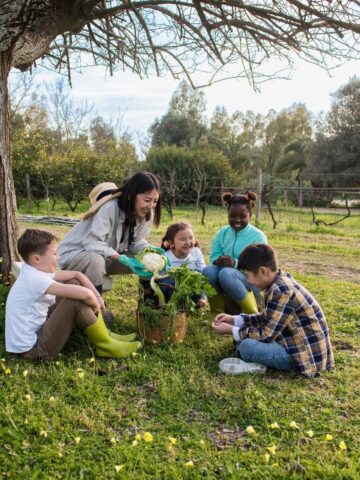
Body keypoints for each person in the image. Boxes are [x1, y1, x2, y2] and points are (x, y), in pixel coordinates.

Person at [5, 229, 141, 360]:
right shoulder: (35, 279)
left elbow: (77, 274)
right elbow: (86, 295)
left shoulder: (32, 270)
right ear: (36, 259)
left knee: (73, 282)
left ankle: (106, 335)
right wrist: (95, 305)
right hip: (34, 350)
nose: (58, 257)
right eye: (54, 254)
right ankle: (105, 344)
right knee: (75, 300)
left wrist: (98, 296)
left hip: (38, 332)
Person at [212, 244, 335, 378]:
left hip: (303, 356)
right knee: (244, 337)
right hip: (292, 341)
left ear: (263, 271)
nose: (248, 281)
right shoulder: (279, 282)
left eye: (247, 276)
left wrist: (232, 330)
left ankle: (255, 364)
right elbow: (267, 318)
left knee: (246, 346)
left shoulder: (281, 292)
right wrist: (236, 319)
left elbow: (265, 335)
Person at [58, 172, 162, 294]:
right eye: (147, 200)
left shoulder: (145, 213)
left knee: (150, 261)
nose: (151, 206)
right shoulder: (110, 207)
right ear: (131, 195)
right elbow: (92, 242)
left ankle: (149, 307)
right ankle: (95, 308)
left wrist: (151, 251)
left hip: (105, 257)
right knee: (96, 260)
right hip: (75, 256)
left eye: (155, 201)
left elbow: (135, 242)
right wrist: (121, 258)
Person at [202, 192, 267, 315]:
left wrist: (235, 263)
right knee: (208, 271)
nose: (237, 220)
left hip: (252, 281)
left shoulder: (258, 236)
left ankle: (251, 313)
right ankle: (217, 313)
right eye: (232, 216)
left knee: (226, 273)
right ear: (228, 215)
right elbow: (213, 256)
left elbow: (258, 267)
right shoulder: (223, 232)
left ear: (250, 215)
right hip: (228, 275)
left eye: (242, 216)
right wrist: (218, 260)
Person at [159, 222, 207, 308]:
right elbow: (160, 278)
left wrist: (203, 296)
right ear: (172, 243)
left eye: (191, 238)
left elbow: (203, 274)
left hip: (190, 288)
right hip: (171, 290)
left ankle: (194, 302)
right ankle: (173, 307)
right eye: (183, 239)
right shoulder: (166, 257)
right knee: (169, 280)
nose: (188, 242)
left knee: (199, 273)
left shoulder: (196, 252)